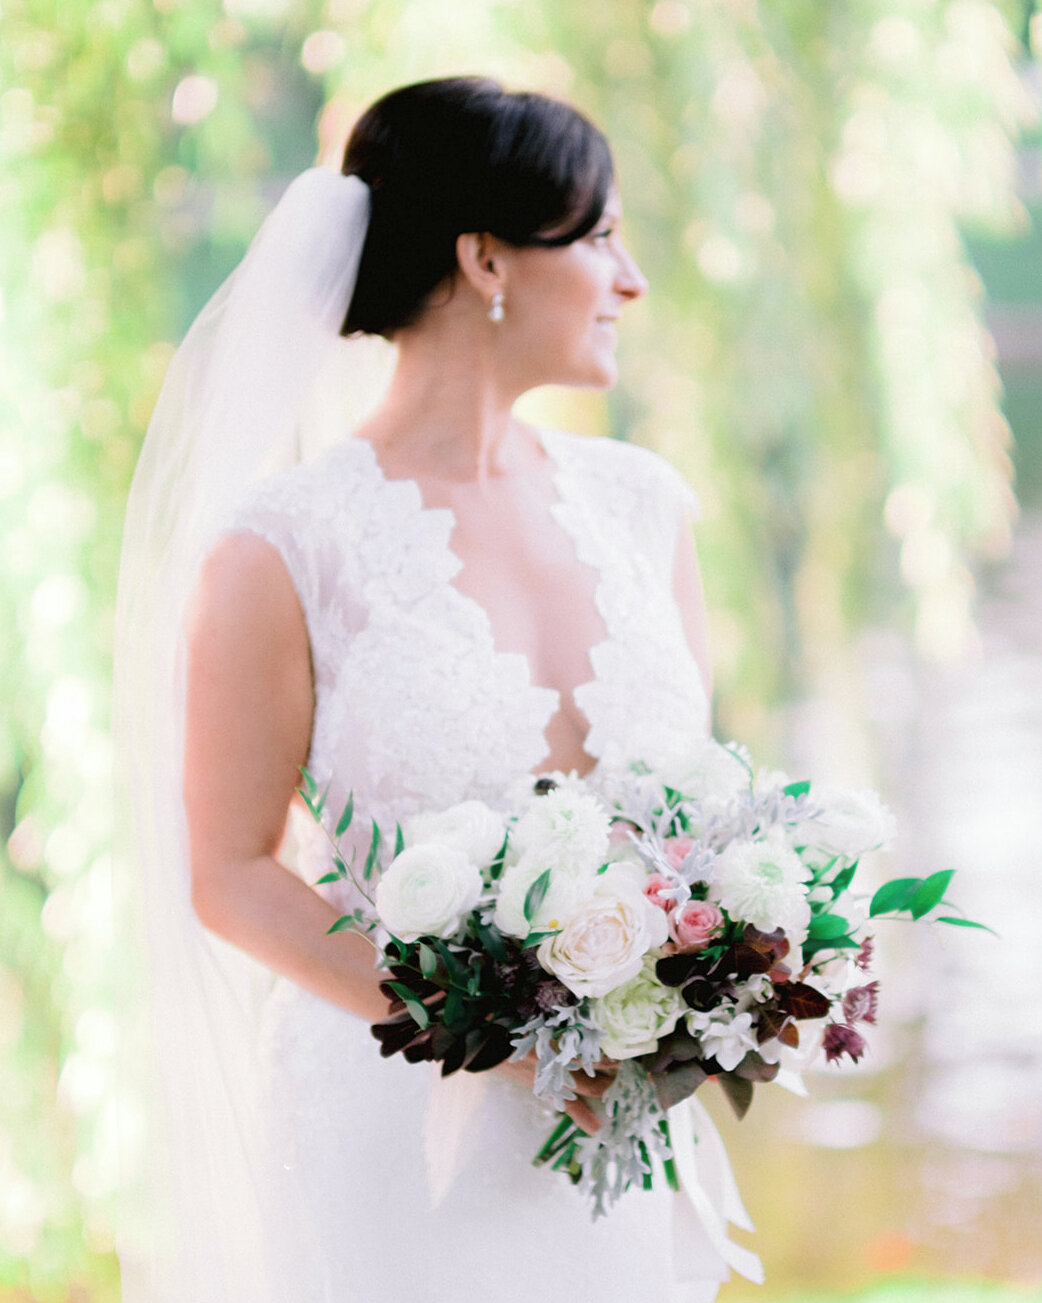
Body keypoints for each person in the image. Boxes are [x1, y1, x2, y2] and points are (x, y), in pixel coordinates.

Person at [115, 76, 755, 1303]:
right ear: (486, 259)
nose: (630, 279)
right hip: (396, 1129)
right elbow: (232, 870)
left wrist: (728, 965)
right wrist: (502, 1035)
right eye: (602, 235)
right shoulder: (285, 545)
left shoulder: (643, 505)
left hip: (621, 1124)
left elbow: (696, 816)